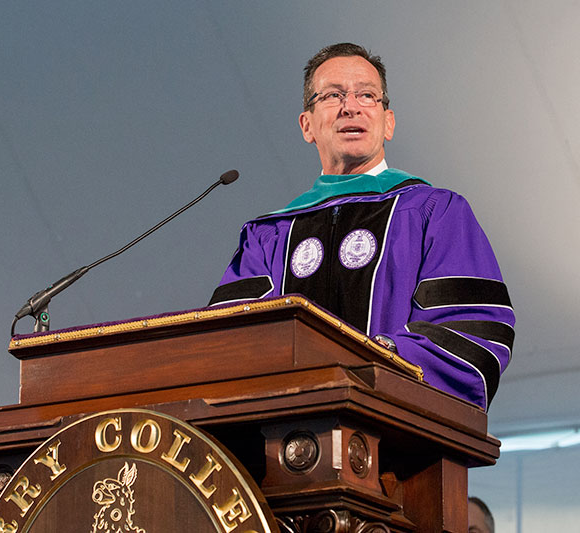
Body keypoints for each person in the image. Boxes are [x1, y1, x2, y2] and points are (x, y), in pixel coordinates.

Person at [209, 43, 514, 410]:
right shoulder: (270, 236)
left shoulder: (434, 213)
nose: (350, 106)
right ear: (307, 125)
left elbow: (471, 328)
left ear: (388, 122)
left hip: (394, 443)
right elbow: (227, 345)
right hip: (280, 440)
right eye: (333, 95)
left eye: (367, 95)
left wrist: (381, 360)